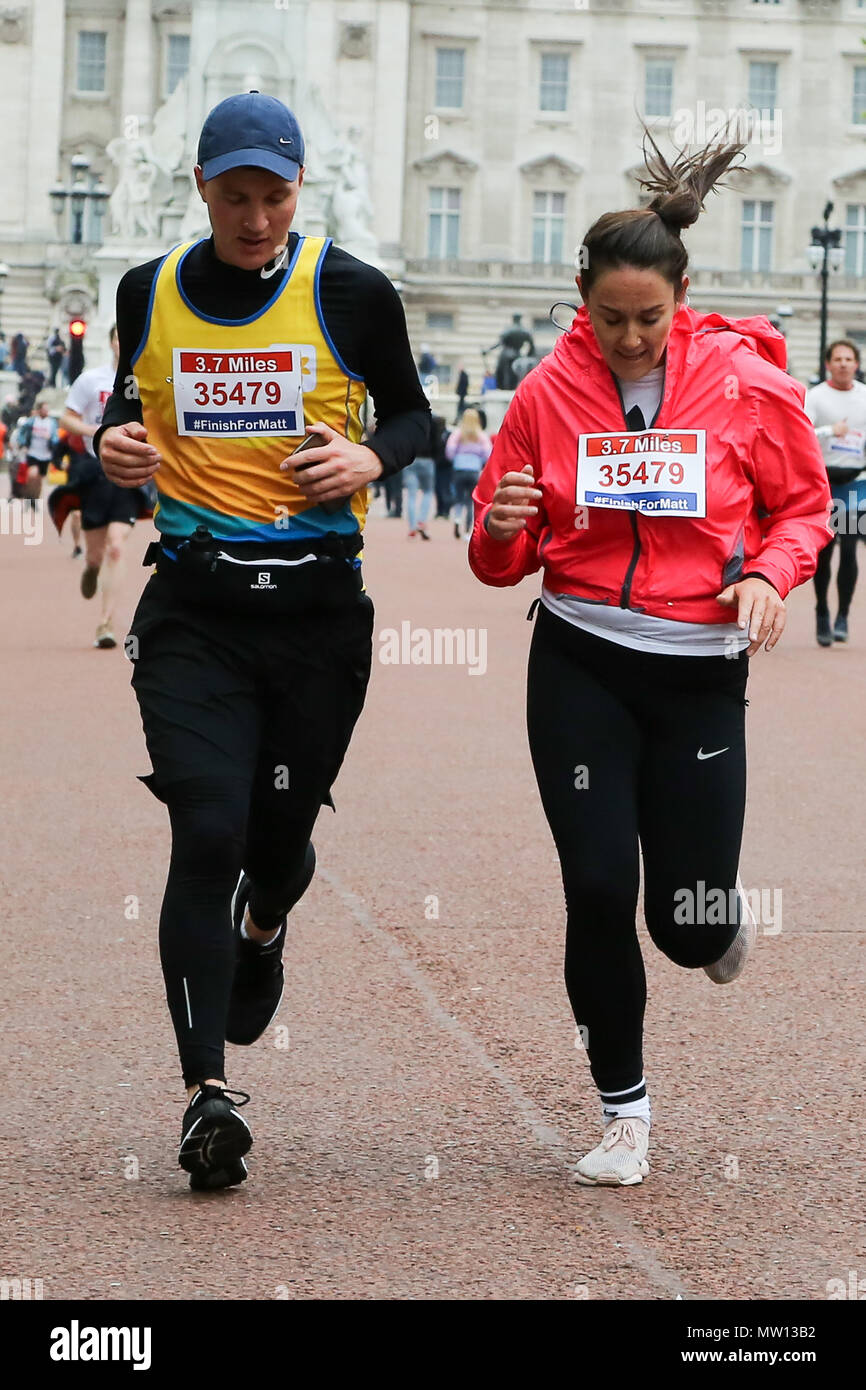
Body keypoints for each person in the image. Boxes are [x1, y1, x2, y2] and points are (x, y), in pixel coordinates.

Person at [468, 130, 831, 1187]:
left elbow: (800, 508)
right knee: (593, 886)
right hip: (580, 657)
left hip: (698, 670)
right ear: (576, 297)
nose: (627, 338)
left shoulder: (742, 384)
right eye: (607, 318)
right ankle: (623, 1110)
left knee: (682, 920)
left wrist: (767, 571)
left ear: (683, 297)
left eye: (648, 319)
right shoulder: (542, 396)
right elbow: (501, 560)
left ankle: (709, 921)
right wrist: (498, 523)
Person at [95, 91, 430, 1191]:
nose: (253, 218)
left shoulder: (349, 290)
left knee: (272, 841)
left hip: (317, 617)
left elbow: (414, 416)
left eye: (272, 197)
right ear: (200, 187)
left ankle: (268, 912)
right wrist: (117, 449)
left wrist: (370, 458)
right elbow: (119, 414)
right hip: (194, 611)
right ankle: (205, 1095)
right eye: (233, 196)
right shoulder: (147, 291)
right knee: (204, 824)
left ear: (300, 190)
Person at [56, 326, 147, 649]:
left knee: (117, 546)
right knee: (96, 553)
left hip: (128, 471)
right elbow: (66, 420)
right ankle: (91, 567)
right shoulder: (90, 380)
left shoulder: (147, 377)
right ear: (110, 342)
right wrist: (96, 430)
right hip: (94, 471)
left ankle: (105, 623)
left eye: (128, 335)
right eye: (118, 336)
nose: (123, 342)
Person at [805, 340, 866, 646]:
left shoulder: (865, 398)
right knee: (825, 553)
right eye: (838, 359)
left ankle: (842, 615)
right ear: (829, 364)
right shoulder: (816, 397)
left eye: (849, 359)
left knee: (850, 547)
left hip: (855, 482)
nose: (843, 364)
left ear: (856, 364)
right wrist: (830, 432)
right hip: (824, 481)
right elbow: (800, 433)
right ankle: (821, 612)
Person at [446, 407, 492, 539]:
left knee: (459, 498)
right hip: (473, 470)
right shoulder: (481, 435)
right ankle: (467, 530)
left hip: (459, 468)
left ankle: (457, 518)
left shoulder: (458, 433)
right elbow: (487, 453)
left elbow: (450, 449)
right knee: (470, 500)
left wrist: (455, 458)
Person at [16, 398, 59, 508]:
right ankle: (28, 497)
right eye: (44, 409)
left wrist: (51, 439)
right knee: (32, 475)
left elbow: (56, 438)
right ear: (39, 410)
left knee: (39, 480)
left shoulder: (52, 423)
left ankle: (35, 500)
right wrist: (23, 443)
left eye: (47, 409)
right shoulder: (32, 421)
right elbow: (22, 431)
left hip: (45, 455)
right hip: (33, 452)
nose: (46, 411)